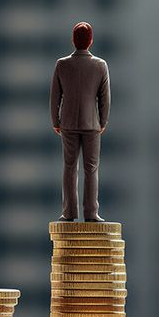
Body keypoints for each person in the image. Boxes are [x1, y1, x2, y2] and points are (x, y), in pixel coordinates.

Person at [50, 21, 110, 222]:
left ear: (73, 40)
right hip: (91, 123)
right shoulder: (100, 65)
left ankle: (69, 212)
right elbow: (104, 98)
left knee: (69, 167)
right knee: (91, 168)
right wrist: (103, 121)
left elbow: (55, 96)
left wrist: (55, 120)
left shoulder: (62, 64)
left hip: (67, 122)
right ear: (91, 41)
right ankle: (91, 213)